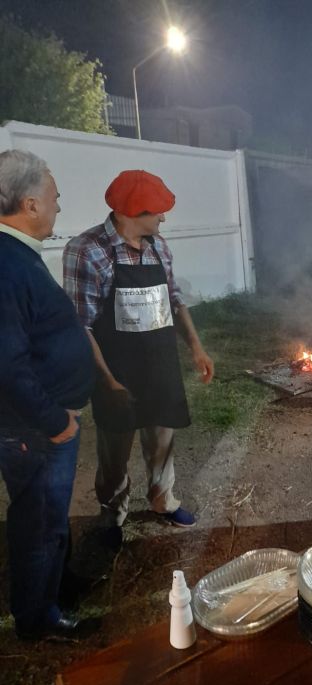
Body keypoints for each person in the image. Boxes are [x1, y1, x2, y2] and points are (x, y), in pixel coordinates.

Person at [63, 170, 214, 529]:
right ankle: (113, 512)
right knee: (115, 448)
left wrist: (197, 348)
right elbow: (81, 326)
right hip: (117, 369)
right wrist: (108, 382)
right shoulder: (87, 251)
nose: (164, 217)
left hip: (159, 364)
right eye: (158, 211)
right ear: (133, 211)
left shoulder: (159, 246)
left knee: (163, 438)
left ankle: (163, 500)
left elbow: (174, 301)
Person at [0, 150, 97, 640]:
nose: (59, 206)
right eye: (55, 197)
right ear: (31, 204)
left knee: (49, 515)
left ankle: (56, 584)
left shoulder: (17, 256)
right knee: (37, 521)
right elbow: (6, 366)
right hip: (34, 430)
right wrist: (56, 420)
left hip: (43, 423)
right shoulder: (6, 266)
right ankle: (39, 620)